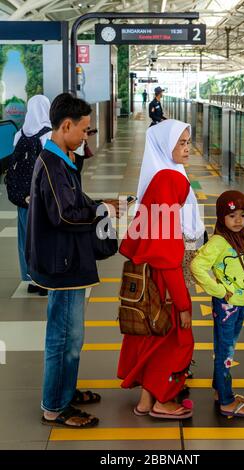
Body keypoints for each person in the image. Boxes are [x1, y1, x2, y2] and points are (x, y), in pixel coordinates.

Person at [25, 92, 123, 428]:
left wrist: (99, 202)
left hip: (68, 263)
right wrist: (101, 210)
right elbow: (65, 215)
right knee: (63, 336)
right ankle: (54, 406)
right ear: (65, 126)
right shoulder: (51, 164)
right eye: (83, 129)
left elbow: (74, 201)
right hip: (61, 265)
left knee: (73, 335)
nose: (85, 136)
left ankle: (65, 390)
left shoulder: (62, 159)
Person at [118, 119, 205, 419]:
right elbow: (167, 252)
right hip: (165, 278)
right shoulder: (169, 179)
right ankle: (162, 400)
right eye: (181, 142)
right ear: (164, 146)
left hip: (152, 277)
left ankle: (146, 401)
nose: (187, 148)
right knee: (180, 338)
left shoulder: (159, 176)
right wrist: (183, 303)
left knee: (157, 339)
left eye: (187, 140)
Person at [190, 190, 244, 418]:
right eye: (232, 216)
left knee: (227, 348)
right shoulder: (219, 242)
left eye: (242, 215)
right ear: (222, 217)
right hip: (227, 306)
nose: (238, 220)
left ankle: (220, 390)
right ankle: (226, 402)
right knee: (225, 351)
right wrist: (219, 290)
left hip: (241, 303)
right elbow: (197, 266)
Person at [13, 95, 52, 296]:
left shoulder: (19, 135)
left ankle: (30, 278)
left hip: (22, 197)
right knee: (43, 236)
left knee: (25, 237)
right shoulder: (49, 135)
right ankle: (43, 279)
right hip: (42, 196)